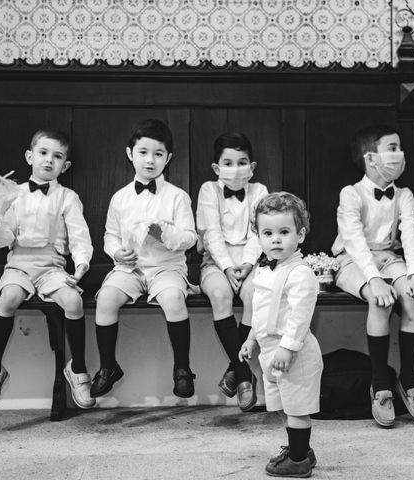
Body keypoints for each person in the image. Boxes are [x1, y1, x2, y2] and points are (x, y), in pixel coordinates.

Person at [0, 129, 94, 410]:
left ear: (65, 166)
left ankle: (77, 368)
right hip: (19, 263)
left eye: (57, 156)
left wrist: (81, 267)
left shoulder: (67, 197)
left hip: (52, 265)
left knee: (73, 301)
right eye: (43, 153)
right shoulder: (12, 194)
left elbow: (80, 237)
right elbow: (4, 239)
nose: (49, 161)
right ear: (30, 157)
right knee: (9, 297)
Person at [330, 125, 414, 427]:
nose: (399, 154)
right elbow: (354, 241)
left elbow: (410, 236)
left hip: (389, 257)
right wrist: (374, 280)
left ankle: (411, 382)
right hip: (352, 260)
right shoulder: (351, 193)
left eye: (400, 147)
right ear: (371, 158)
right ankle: (380, 385)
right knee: (381, 301)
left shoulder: (404, 195)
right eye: (392, 147)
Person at [91, 119, 198, 399]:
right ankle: (107, 367)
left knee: (174, 299)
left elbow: (190, 237)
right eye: (143, 152)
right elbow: (110, 236)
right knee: (106, 298)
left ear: (168, 159)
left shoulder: (178, 197)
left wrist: (165, 234)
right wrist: (117, 252)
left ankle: (182, 369)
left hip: (167, 268)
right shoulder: (120, 198)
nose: (150, 160)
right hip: (131, 269)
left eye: (158, 154)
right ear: (130, 154)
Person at [239, 192, 323, 478]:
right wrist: (251, 338)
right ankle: (300, 448)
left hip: (294, 353)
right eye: (268, 233)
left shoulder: (300, 272)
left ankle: (298, 461)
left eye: (284, 232)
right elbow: (262, 314)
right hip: (269, 348)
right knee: (284, 405)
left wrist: (288, 348)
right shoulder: (265, 271)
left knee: (297, 406)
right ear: (258, 237)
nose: (276, 239)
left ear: (300, 235)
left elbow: (300, 316)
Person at [196, 132, 268, 411]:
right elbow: (211, 233)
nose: (236, 168)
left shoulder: (259, 191)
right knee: (220, 295)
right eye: (228, 162)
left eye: (242, 162)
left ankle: (235, 369)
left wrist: (247, 265)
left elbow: (258, 233)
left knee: (254, 294)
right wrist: (227, 267)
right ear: (217, 168)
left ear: (252, 166)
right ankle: (244, 375)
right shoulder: (208, 190)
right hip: (216, 260)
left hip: (252, 260)